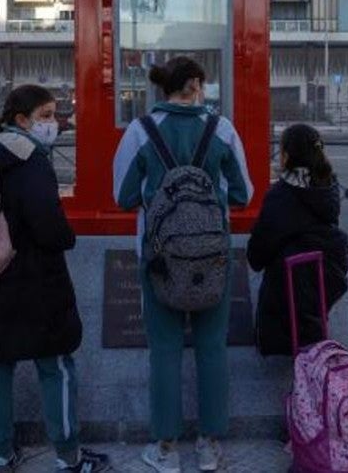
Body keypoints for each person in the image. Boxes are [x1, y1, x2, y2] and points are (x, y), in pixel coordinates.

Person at [0, 85, 110, 473]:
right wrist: (67, 238)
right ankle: (69, 456)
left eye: (54, 114)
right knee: (55, 366)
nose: (53, 122)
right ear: (21, 120)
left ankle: (1, 454)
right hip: (36, 281)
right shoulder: (30, 159)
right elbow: (48, 226)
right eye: (45, 115)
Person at [113, 56, 253, 473]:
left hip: (159, 258)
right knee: (212, 347)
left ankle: (166, 448)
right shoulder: (222, 129)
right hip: (213, 256)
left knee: (164, 349)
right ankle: (208, 446)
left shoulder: (140, 130)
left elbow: (122, 196)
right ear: (194, 85)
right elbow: (243, 194)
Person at [246, 123, 348, 357]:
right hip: (325, 289)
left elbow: (256, 256)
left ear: (286, 156)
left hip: (286, 304)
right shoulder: (328, 187)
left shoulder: (281, 196)